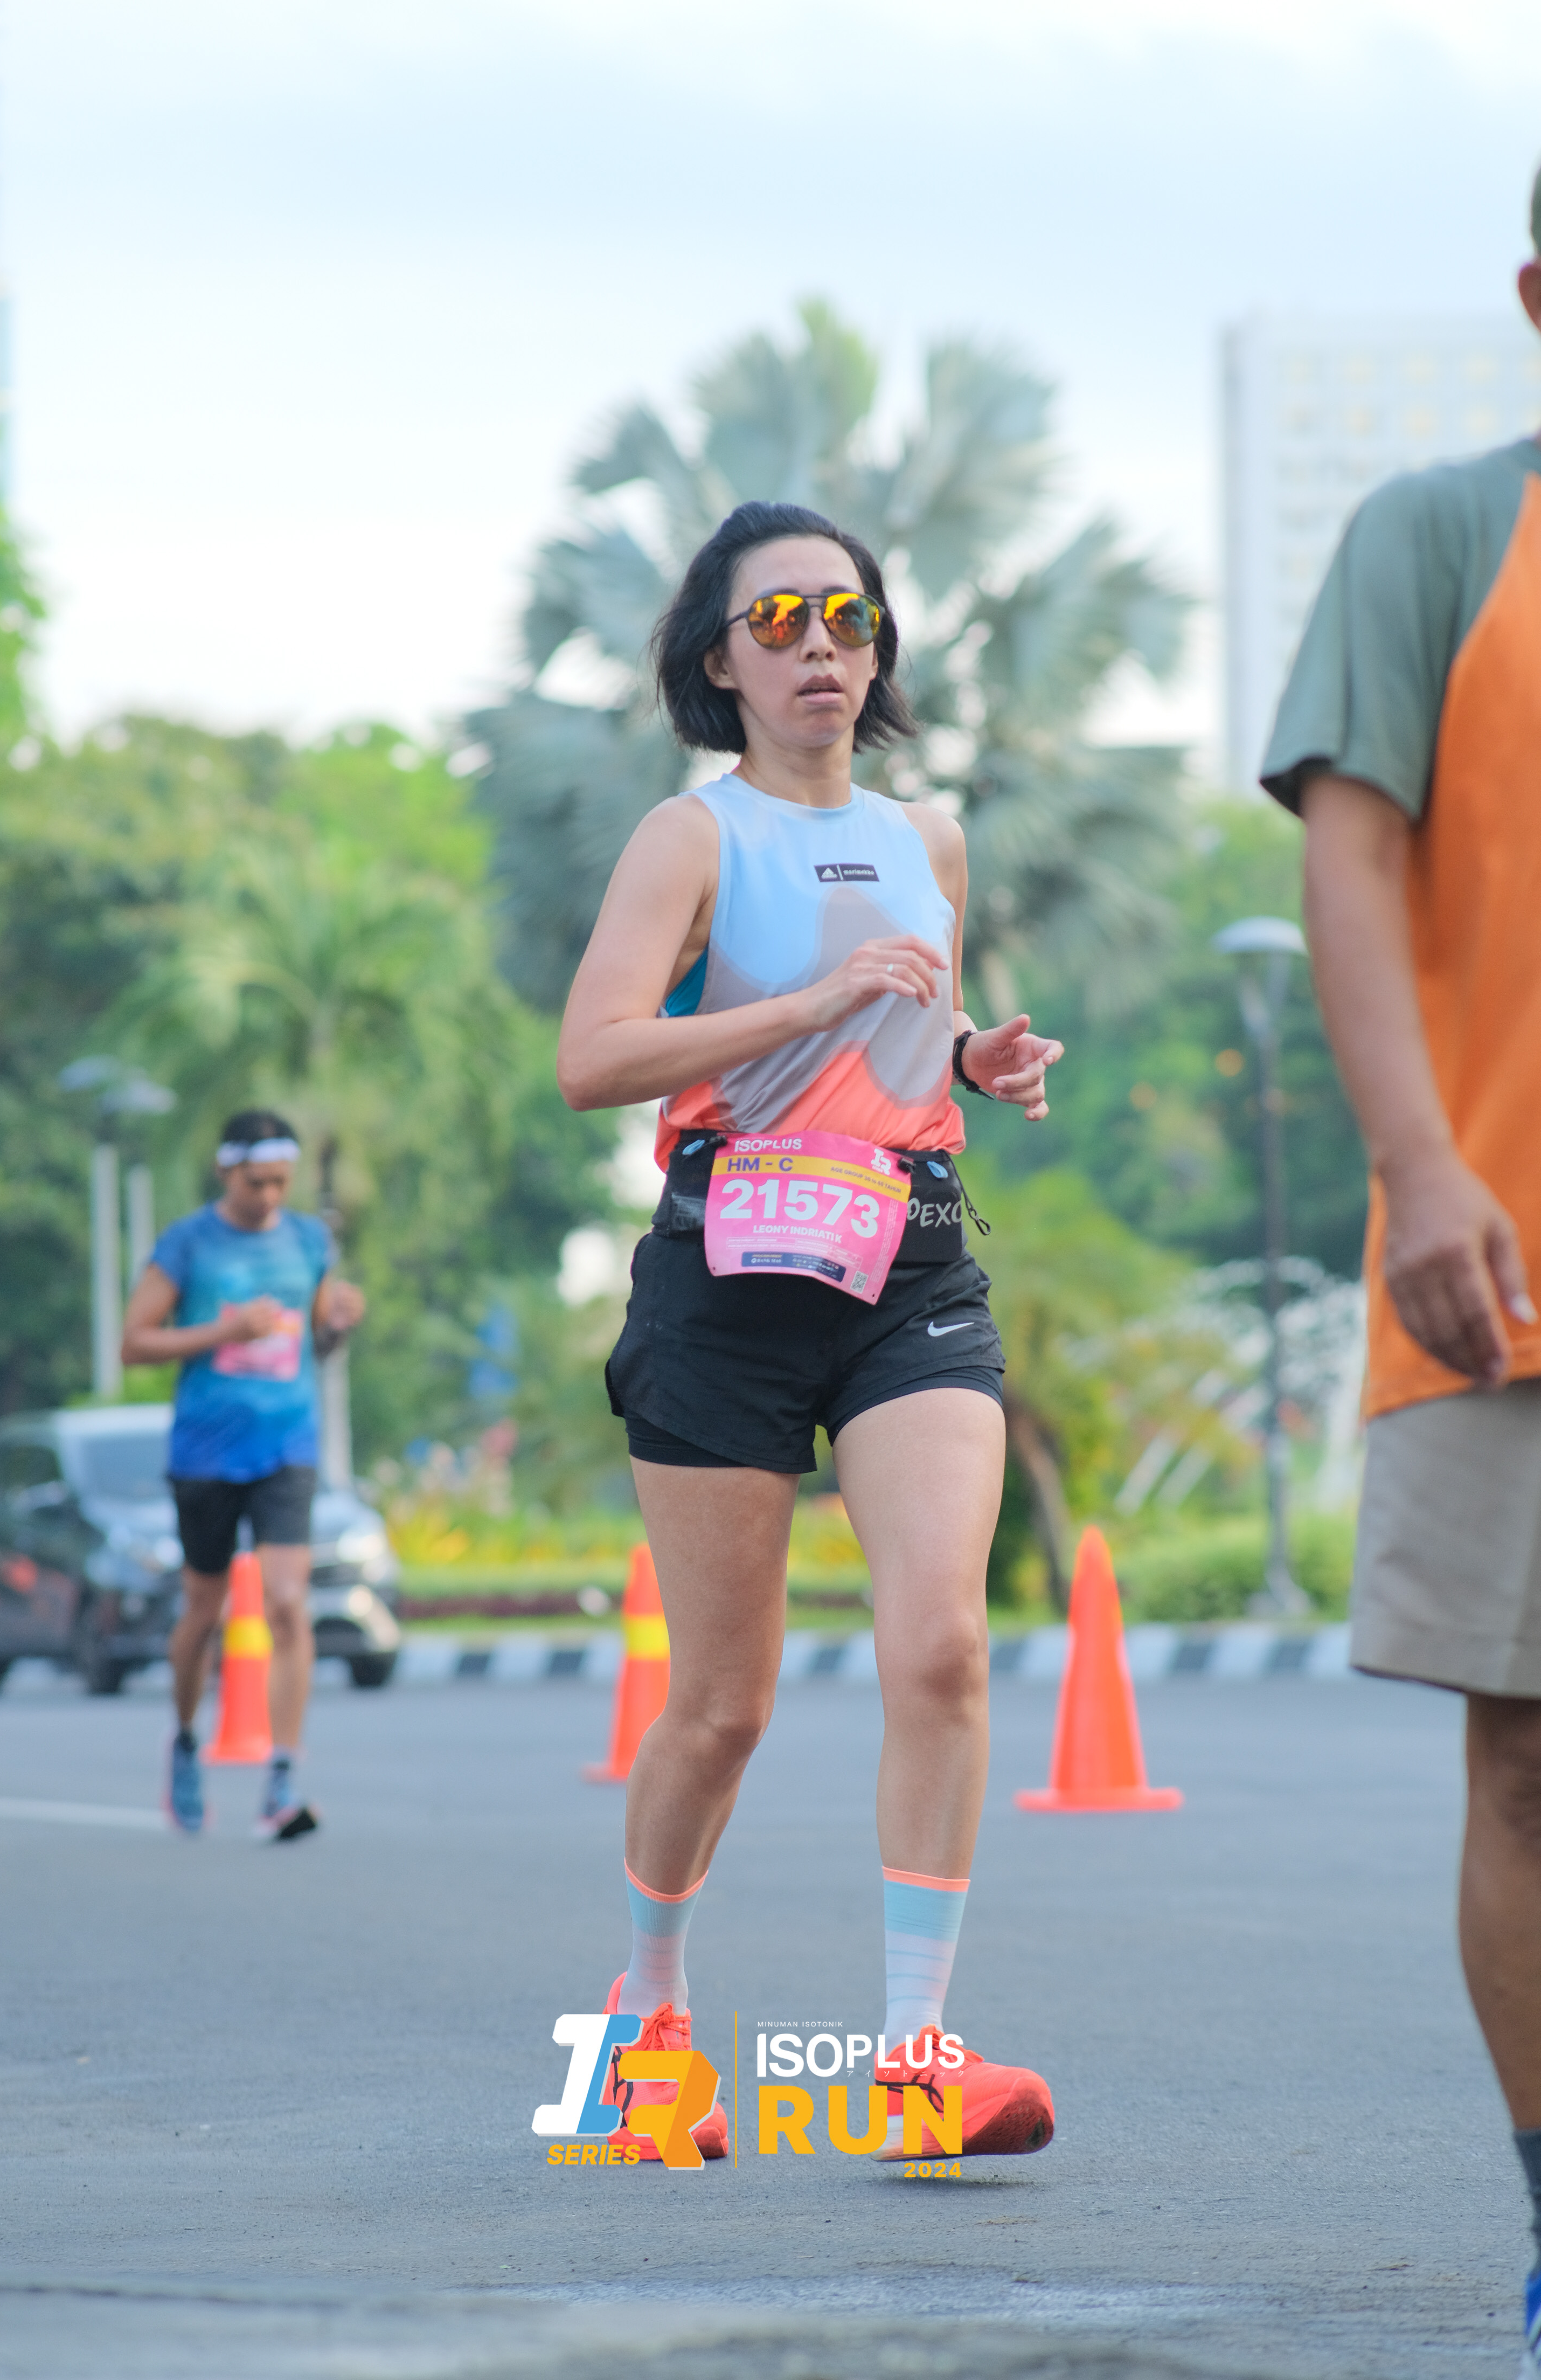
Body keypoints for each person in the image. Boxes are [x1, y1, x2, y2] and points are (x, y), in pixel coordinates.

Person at [557, 500, 1064, 2163]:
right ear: (721, 660)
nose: (821, 649)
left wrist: (976, 1058)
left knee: (944, 1649)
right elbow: (594, 1057)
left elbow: (912, 1030)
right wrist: (802, 1006)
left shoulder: (932, 838)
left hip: (909, 1262)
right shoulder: (690, 838)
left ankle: (916, 2058)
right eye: (779, 622)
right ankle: (648, 2025)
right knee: (722, 1705)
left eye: (848, 618)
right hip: (728, 1275)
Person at [1261, 169, 1541, 2374]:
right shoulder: (1438, 537)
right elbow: (1348, 855)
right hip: (1506, 1260)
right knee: (1529, 1765)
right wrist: (1419, 1166)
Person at [120, 1110, 366, 1840]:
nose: (268, 1196)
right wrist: (224, 1331)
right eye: (256, 1182)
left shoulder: (308, 1241)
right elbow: (134, 1341)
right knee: (204, 1611)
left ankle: (282, 1776)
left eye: (280, 1182)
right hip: (205, 1453)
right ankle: (184, 1739)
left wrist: (338, 1323)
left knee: (288, 1603)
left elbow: (315, 1341)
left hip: (287, 1446)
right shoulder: (188, 1243)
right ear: (226, 1170)